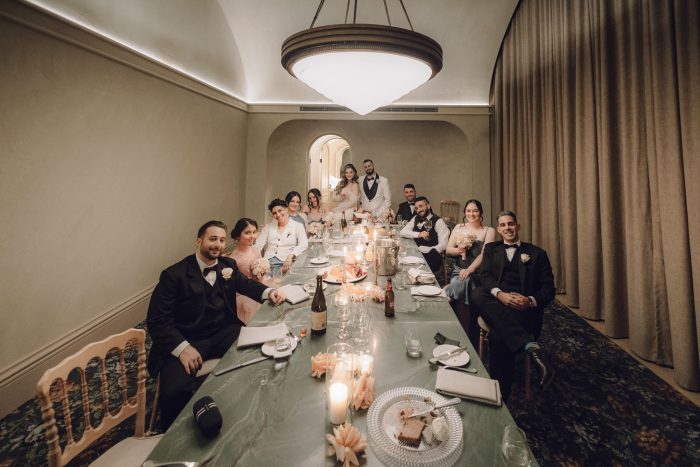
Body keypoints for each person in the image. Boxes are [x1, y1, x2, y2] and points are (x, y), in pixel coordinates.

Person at [147, 220, 285, 429]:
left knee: (259, 353)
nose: (218, 245)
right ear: (199, 241)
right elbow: (157, 321)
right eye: (212, 239)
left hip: (222, 331)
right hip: (186, 339)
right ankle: (174, 435)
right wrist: (182, 348)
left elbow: (246, 284)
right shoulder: (173, 275)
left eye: (221, 240)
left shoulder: (226, 265)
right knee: (174, 392)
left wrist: (269, 292)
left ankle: (246, 408)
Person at [471, 210, 556, 400]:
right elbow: (484, 276)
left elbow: (549, 289)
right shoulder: (491, 249)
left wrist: (529, 301)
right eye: (503, 225)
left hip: (522, 309)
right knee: (477, 293)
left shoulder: (537, 254)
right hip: (497, 302)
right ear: (499, 229)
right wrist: (500, 295)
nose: (507, 228)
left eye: (510, 224)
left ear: (518, 226)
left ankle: (500, 395)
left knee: (498, 336)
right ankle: (531, 348)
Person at [444, 200, 496, 345]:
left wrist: (470, 269)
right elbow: (448, 250)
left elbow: (484, 255)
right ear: (464, 212)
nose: (471, 214)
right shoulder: (459, 227)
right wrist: (459, 250)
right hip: (459, 270)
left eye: (475, 211)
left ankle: (446, 293)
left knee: (466, 282)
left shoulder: (489, 230)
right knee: (463, 283)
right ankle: (465, 336)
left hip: (478, 273)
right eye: (468, 211)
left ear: (481, 212)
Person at [226, 218, 269, 325]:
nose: (252, 236)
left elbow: (261, 274)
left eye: (254, 232)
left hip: (261, 286)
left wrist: (262, 270)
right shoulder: (233, 258)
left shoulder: (255, 250)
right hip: (246, 296)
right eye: (247, 233)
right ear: (238, 235)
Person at [255, 198, 308, 273]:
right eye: (274, 213)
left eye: (280, 211)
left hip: (286, 263)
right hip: (267, 263)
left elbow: (304, 244)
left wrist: (291, 256)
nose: (278, 215)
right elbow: (258, 245)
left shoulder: (298, 225)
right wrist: (258, 262)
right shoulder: (268, 227)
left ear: (286, 209)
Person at [400, 196, 449, 275]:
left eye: (421, 206)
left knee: (407, 268)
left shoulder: (438, 221)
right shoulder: (416, 218)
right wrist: (419, 234)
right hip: (416, 254)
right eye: (416, 208)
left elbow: (443, 245)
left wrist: (428, 249)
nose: (419, 210)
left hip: (432, 258)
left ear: (428, 206)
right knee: (401, 262)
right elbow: (403, 232)